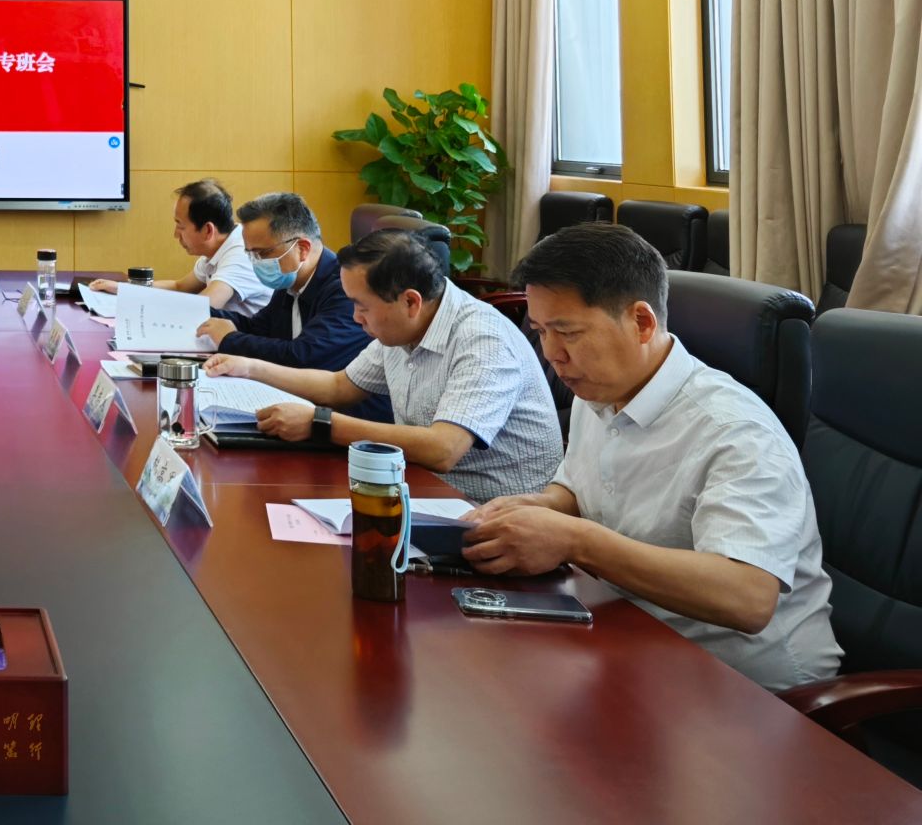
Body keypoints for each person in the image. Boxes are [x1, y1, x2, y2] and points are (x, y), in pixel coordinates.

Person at [464, 224, 841, 690]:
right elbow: (580, 486)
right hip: (633, 634)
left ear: (642, 323)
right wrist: (543, 507)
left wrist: (575, 540)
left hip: (746, 685)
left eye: (567, 332)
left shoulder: (734, 432)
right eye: (541, 331)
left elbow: (747, 597)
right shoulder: (600, 387)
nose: (552, 355)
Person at [203, 230, 562, 503]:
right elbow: (339, 386)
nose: (355, 318)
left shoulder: (482, 339)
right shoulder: (404, 327)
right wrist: (250, 368)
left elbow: (443, 449)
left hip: (495, 511)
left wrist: (320, 424)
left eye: (362, 306)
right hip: (423, 490)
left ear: (410, 302)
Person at [196, 192, 387, 421]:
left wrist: (230, 339)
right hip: (302, 409)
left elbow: (305, 358)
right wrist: (196, 314)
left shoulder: (344, 288)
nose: (257, 263)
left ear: (302, 249)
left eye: (263, 253)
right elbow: (259, 327)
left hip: (351, 422)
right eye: (251, 254)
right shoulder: (291, 280)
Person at [86, 179, 272, 315]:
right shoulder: (220, 246)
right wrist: (124, 288)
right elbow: (179, 286)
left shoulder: (241, 253)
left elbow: (201, 308)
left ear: (208, 230)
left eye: (181, 226)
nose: (176, 234)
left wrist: (141, 307)